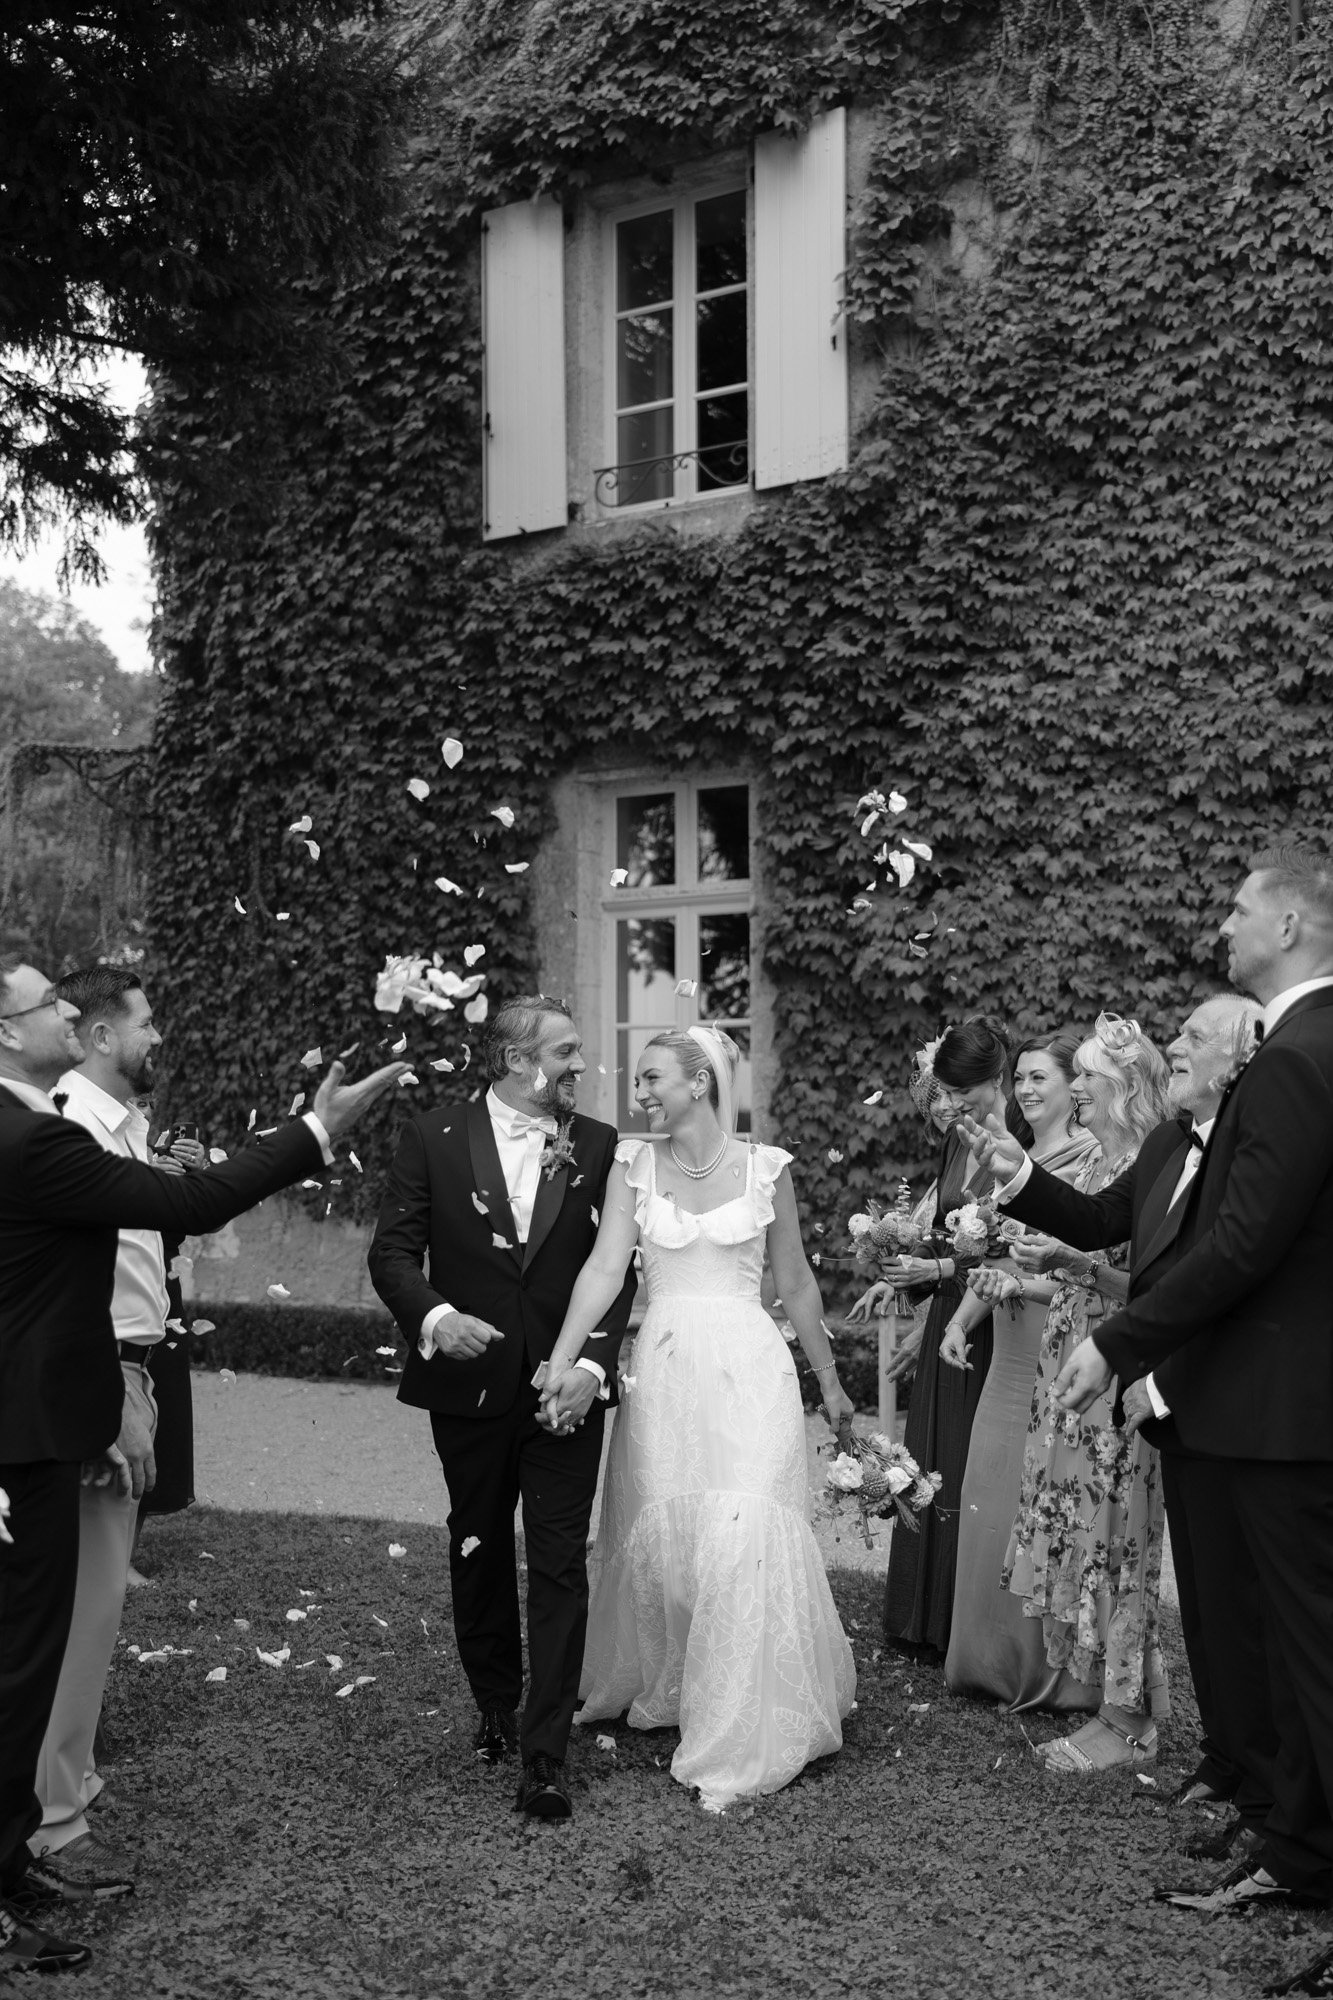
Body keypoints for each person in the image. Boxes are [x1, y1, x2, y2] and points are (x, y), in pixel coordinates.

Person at [0, 954, 405, 1975]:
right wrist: (316, 1131)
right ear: (12, 1031)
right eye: (48, 1005)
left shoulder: (44, 1127)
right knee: (28, 1658)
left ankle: (22, 1847)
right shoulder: (34, 1136)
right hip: (39, 1425)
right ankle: (26, 1851)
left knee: (40, 1647)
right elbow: (186, 1208)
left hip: (59, 1409)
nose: (65, 1015)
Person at [1037, 846, 1333, 1964]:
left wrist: (1118, 1340)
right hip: (1271, 1406)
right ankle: (1297, 1846)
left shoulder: (1297, 1058)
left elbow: (1246, 1243)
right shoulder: (1308, 1047)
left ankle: (1308, 1855)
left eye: (1239, 908)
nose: (1222, 925)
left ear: (1289, 923)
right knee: (1290, 1653)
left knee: (1308, 1659)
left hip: (1283, 1412)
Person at [541, 1025, 855, 1813]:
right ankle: (680, 1681)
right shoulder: (633, 1166)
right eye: (638, 1080)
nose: (639, 1092)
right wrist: (559, 1358)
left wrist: (830, 1383)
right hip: (667, 1372)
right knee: (673, 1546)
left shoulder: (766, 1168)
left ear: (699, 1082)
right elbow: (603, 1269)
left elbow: (795, 1283)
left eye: (652, 1077)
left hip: (751, 1369)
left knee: (746, 1534)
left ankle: (744, 1729)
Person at [368, 996, 636, 1822]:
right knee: (477, 1544)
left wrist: (589, 1366)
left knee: (558, 1562)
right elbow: (392, 1253)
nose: (579, 1065)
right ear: (518, 1061)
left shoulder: (600, 1144)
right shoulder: (432, 1137)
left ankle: (545, 1752)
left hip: (565, 1392)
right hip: (469, 1386)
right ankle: (493, 1703)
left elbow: (617, 1268)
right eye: (564, 1051)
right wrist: (436, 1320)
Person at [29, 968, 179, 1901]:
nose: (158, 1035)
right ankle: (53, 1822)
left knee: (94, 1603)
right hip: (102, 1376)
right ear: (98, 1036)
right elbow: (69, 1289)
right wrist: (112, 1399)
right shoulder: (69, 1128)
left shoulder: (123, 1125)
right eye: (146, 1022)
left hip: (129, 1370)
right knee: (80, 1613)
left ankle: (67, 1777)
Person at [992, 1014, 1172, 1770]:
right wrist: (1036, 1268)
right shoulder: (1099, 1162)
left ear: (1121, 1085)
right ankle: (1110, 1701)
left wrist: (1076, 1264)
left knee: (1117, 1536)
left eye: (1088, 1077)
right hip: (1066, 1368)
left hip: (1116, 1372)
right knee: (1077, 1532)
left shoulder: (1156, 1170)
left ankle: (1129, 1718)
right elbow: (1078, 1246)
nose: (1078, 1088)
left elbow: (1161, 1290)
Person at [941, 1030, 1101, 1710]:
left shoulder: (1093, 1161)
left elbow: (1086, 1267)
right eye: (1023, 1077)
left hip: (1057, 1341)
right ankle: (984, 1659)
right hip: (1006, 1345)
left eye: (1043, 1078)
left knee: (1045, 1499)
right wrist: (959, 1320)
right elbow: (997, 1257)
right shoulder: (1013, 1157)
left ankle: (1044, 1669)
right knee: (991, 1485)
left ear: (1073, 1087)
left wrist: (1018, 1285)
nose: (1028, 1089)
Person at [881, 1018, 1013, 1659]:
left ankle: (959, 1620)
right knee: (931, 1455)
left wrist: (934, 1271)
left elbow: (1000, 1246)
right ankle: (922, 1617)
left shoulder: (1011, 1144)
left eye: (953, 1092)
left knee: (963, 1462)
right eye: (936, 1096)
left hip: (984, 1320)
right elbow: (950, 1233)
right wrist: (919, 1293)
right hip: (948, 1315)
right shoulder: (958, 1143)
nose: (945, 1106)